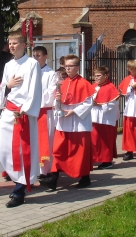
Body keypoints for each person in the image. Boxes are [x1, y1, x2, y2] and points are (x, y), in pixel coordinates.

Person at [0, 33, 42, 208]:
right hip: (8, 111)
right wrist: (8, 86)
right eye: (10, 43)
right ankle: (14, 176)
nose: (11, 46)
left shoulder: (32, 64)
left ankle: (19, 191)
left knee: (21, 153)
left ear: (23, 44)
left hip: (22, 113)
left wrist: (25, 110)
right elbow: (3, 88)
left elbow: (35, 89)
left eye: (15, 43)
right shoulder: (8, 65)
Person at [40, 54, 95, 191]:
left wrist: (74, 111)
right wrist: (57, 99)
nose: (67, 68)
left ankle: (85, 177)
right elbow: (57, 102)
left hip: (78, 123)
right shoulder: (63, 82)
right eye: (66, 66)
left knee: (79, 153)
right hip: (63, 122)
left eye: (70, 66)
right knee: (58, 150)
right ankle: (53, 178)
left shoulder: (84, 83)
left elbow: (89, 102)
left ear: (77, 67)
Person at [32, 46, 58, 179]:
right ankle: (34, 168)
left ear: (45, 57)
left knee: (46, 140)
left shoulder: (51, 73)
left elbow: (50, 93)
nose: (35, 58)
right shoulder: (30, 72)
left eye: (38, 55)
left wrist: (35, 98)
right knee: (33, 142)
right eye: (34, 55)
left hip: (44, 112)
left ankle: (45, 170)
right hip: (32, 113)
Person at [91, 66, 120, 169]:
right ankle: (96, 158)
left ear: (106, 75)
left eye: (99, 76)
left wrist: (100, 105)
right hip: (94, 117)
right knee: (94, 140)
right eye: (95, 76)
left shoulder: (110, 87)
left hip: (106, 118)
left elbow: (113, 104)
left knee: (105, 141)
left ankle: (107, 161)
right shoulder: (94, 86)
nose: (96, 78)